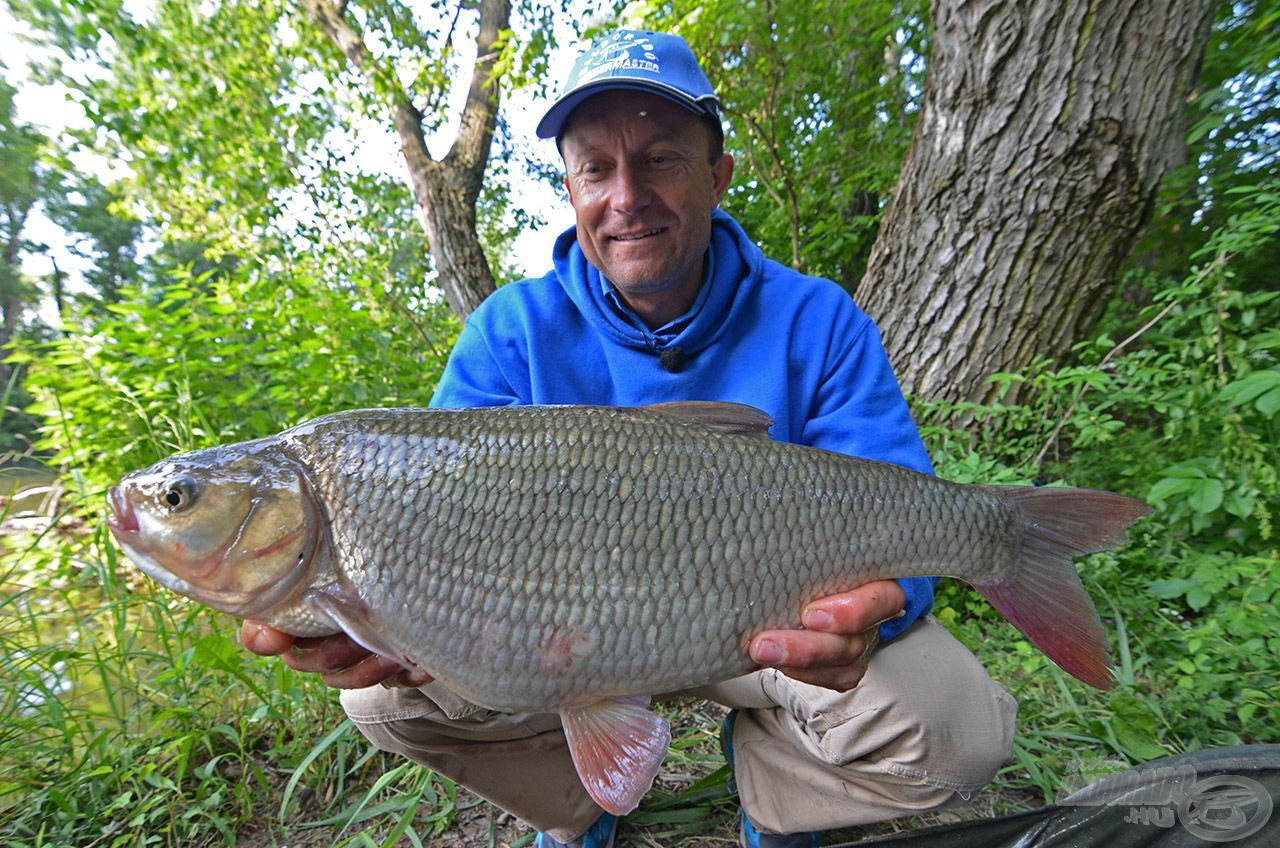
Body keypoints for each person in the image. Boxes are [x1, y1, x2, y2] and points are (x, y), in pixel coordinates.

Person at [242, 29, 1017, 848]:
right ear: (571, 188)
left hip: (768, 638)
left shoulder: (815, 319)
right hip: (560, 647)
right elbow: (435, 509)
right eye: (597, 170)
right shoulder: (511, 332)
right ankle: (583, 806)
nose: (627, 197)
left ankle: (777, 796)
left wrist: (883, 607)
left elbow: (907, 518)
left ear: (717, 174)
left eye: (659, 160)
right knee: (381, 696)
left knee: (956, 730)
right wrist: (390, 619)